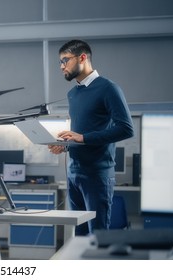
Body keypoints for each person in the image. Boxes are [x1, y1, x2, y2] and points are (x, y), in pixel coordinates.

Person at [48, 39, 134, 236]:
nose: (62, 66)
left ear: (83, 57)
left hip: (96, 174)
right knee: (78, 235)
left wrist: (82, 138)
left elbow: (126, 129)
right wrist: (66, 145)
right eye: (60, 62)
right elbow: (81, 133)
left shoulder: (108, 88)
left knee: (97, 236)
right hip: (74, 173)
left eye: (65, 60)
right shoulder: (73, 93)